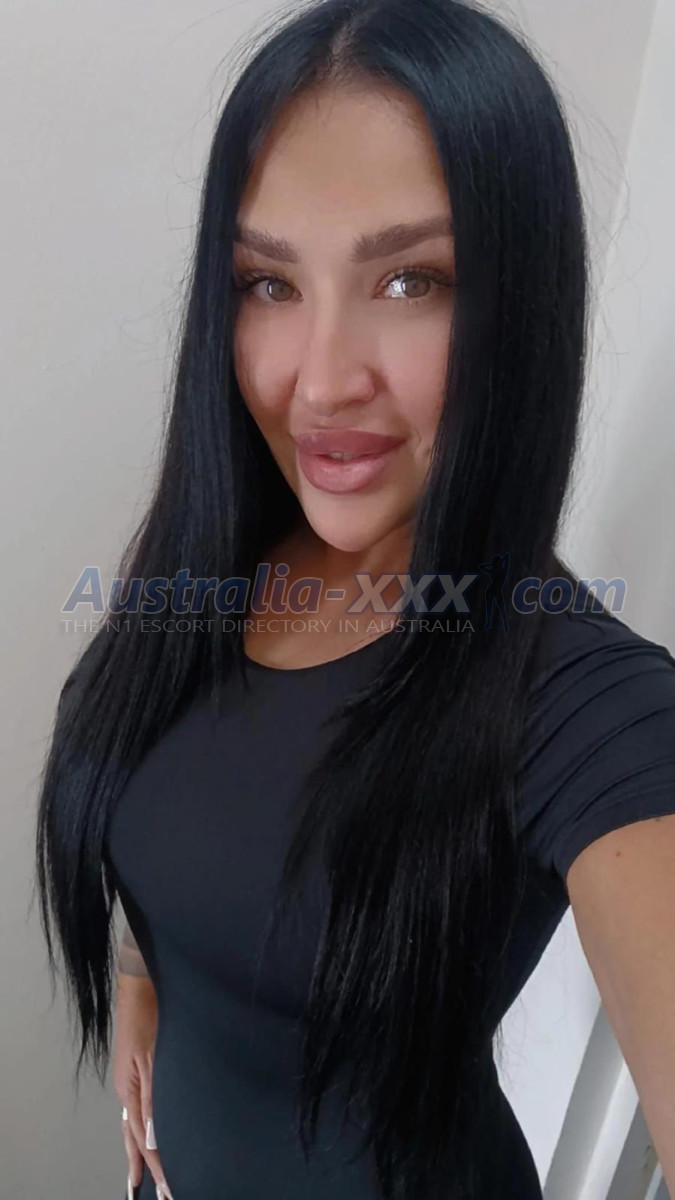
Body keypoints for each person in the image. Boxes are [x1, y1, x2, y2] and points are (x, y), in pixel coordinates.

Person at [35, 0, 675, 1197]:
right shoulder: (204, 559)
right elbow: (165, 800)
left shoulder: (585, 700)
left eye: (411, 279)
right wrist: (142, 978)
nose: (320, 382)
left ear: (522, 305)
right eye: (269, 283)